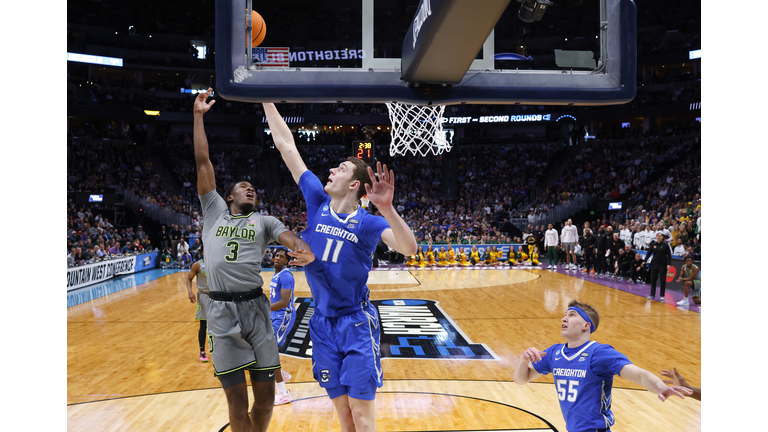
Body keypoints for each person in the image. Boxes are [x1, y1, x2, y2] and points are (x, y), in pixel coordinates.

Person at [264, 101, 417, 431]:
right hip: (321, 323)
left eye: (340, 169)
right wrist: (265, 98)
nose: (330, 171)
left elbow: (409, 248)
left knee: (362, 415)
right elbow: (286, 145)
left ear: (354, 185)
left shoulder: (367, 223)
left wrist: (388, 209)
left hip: (355, 322)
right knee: (345, 416)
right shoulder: (317, 201)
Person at [194, 89, 315, 432]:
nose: (250, 190)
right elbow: (203, 161)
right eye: (243, 187)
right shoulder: (214, 211)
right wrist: (198, 116)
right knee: (237, 403)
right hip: (220, 313)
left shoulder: (264, 221)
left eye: (254, 189)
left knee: (265, 399)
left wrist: (300, 246)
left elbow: (288, 237)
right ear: (227, 196)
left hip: (256, 311)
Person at [514, 300, 693, 432]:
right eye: (565, 314)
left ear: (586, 326)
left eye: (572, 314)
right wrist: (523, 361)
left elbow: (638, 374)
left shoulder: (599, 353)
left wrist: (660, 387)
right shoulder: (554, 353)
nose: (564, 318)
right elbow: (521, 379)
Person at [269, 249, 296, 405]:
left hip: (283, 316)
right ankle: (282, 375)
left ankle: (283, 392)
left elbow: (284, 302)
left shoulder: (286, 275)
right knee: (269, 351)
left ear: (287, 261)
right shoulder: (276, 274)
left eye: (281, 257)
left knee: (270, 352)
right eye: (276, 256)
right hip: (275, 316)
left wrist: (264, 308)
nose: (277, 258)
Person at [185, 247, 210, 363]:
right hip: (204, 297)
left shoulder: (218, 263)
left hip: (217, 297)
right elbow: (189, 279)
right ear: (202, 252)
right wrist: (190, 292)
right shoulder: (197, 265)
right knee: (203, 325)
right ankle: (202, 351)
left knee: (220, 324)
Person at [645, 232, 673, 302]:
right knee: (653, 280)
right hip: (654, 264)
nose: (659, 237)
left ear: (662, 237)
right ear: (656, 237)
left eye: (660, 236)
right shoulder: (653, 245)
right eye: (658, 236)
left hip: (663, 265)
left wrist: (669, 264)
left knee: (662, 281)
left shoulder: (665, 245)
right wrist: (644, 261)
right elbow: (649, 253)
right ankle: (652, 294)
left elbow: (669, 255)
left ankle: (662, 295)